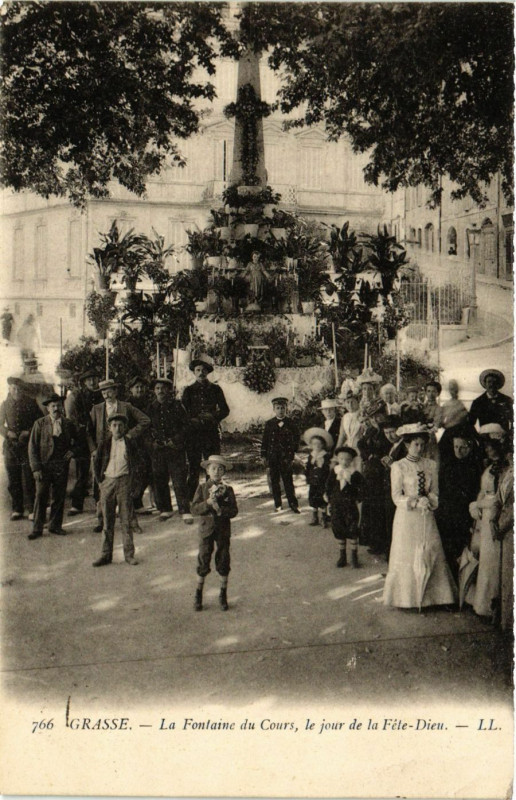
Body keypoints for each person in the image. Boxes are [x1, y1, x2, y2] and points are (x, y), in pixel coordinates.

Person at [383, 423, 457, 609]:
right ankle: (406, 599)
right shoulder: (399, 466)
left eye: (423, 444)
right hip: (407, 517)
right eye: (416, 444)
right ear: (407, 445)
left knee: (431, 549)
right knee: (406, 553)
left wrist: (429, 501)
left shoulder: (431, 465)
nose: (420, 448)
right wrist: (415, 502)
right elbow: (396, 496)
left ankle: (436, 598)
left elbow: (435, 491)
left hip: (426, 515)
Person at [89, 378, 150, 532]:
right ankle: (101, 521)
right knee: (102, 487)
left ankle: (132, 523)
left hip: (123, 448)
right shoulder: (96, 409)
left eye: (109, 391)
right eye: (103, 392)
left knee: (125, 489)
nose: (106, 394)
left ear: (115, 391)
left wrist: (130, 435)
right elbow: (88, 432)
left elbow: (145, 420)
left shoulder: (126, 406)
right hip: (103, 452)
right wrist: (93, 449)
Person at [28, 393, 79, 539]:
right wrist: (36, 468)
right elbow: (32, 447)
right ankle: (37, 528)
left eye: (58, 405)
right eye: (53, 406)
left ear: (62, 407)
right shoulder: (40, 423)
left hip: (61, 466)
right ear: (48, 408)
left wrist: (72, 451)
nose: (56, 408)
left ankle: (55, 526)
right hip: (44, 466)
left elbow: (78, 442)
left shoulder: (68, 424)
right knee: (41, 495)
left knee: (59, 496)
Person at [92, 413, 140, 567]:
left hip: (124, 481)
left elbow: (138, 464)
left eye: (120, 425)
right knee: (107, 521)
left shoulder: (130, 443)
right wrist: (101, 482)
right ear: (109, 428)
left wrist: (134, 484)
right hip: (108, 482)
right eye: (114, 425)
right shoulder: (104, 443)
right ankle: (106, 555)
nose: (117, 428)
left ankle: (129, 555)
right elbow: (97, 463)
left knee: (126, 521)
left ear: (125, 427)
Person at [191, 455, 238, 612]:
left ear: (224, 472)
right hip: (206, 529)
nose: (217, 471)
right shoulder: (202, 488)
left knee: (224, 559)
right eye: (213, 468)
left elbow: (233, 511)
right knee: (203, 558)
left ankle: (223, 594)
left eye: (220, 469)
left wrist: (220, 510)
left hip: (223, 529)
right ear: (207, 470)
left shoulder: (228, 490)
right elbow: (194, 509)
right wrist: (207, 504)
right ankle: (198, 594)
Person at [467, 439, 508, 619]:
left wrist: (479, 504)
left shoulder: (505, 470)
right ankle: (482, 604)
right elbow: (483, 490)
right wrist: (475, 507)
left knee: (493, 559)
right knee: (485, 558)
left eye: (493, 448)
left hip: (496, 516)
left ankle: (494, 606)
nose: (490, 451)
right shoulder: (489, 467)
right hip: (484, 517)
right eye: (487, 448)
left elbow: (498, 498)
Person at [181, 354, 230, 501]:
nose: (201, 373)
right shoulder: (188, 391)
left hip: (210, 433)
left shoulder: (215, 389)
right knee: (194, 467)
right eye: (197, 370)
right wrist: (194, 420)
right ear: (194, 372)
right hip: (194, 434)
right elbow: (183, 413)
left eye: (203, 370)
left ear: (208, 372)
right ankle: (193, 499)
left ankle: (214, 495)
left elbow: (225, 410)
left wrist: (213, 417)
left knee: (213, 466)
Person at [147, 377, 192, 523]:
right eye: (158, 388)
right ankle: (165, 509)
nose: (161, 391)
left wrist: (176, 440)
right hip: (158, 450)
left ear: (169, 390)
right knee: (160, 479)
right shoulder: (150, 408)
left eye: (164, 388)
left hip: (175, 448)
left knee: (179, 479)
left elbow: (186, 426)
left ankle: (184, 509)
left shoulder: (177, 406)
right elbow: (146, 429)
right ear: (154, 391)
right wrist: (152, 443)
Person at [437, 434, 482, 580]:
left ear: (470, 447)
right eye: (456, 447)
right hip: (448, 513)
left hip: (465, 515)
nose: (458, 451)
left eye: (463, 447)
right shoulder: (447, 464)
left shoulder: (476, 466)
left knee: (463, 552)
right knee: (447, 550)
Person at [0, 376, 42, 520]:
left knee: (29, 478)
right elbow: (0, 425)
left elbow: (40, 422)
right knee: (13, 478)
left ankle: (31, 509)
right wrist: (7, 432)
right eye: (13, 388)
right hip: (11, 447)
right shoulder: (4, 405)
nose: (16, 391)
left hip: (27, 447)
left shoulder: (31, 403)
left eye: (19, 389)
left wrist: (28, 431)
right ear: (9, 389)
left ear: (22, 390)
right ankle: (17, 509)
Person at [64, 369, 101, 515]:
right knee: (82, 471)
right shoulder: (77, 396)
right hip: (82, 436)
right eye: (89, 380)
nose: (92, 382)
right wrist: (78, 429)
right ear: (84, 382)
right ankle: (77, 504)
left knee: (99, 469)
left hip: (98, 435)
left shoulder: (101, 394)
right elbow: (70, 416)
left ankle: (100, 502)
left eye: (94, 379)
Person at [325, 446, 364, 568]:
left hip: (350, 505)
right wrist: (329, 499)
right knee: (338, 528)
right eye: (341, 459)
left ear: (351, 460)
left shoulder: (355, 473)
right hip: (337, 505)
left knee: (352, 529)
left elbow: (363, 487)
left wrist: (358, 498)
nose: (344, 462)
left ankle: (354, 556)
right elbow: (328, 486)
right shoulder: (334, 471)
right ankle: (342, 556)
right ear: (338, 459)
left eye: (347, 459)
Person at [261, 397, 300, 513]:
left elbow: (297, 438)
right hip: (273, 457)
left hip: (286, 458)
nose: (280, 410)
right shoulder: (269, 424)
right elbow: (265, 441)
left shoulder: (291, 423)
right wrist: (263, 455)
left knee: (288, 481)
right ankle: (277, 504)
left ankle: (293, 504)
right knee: (275, 481)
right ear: (274, 409)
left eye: (283, 408)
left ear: (286, 409)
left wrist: (292, 453)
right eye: (278, 408)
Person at [491, 449, 513, 632]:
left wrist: (502, 526)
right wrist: (492, 520)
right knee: (505, 576)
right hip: (504, 532)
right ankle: (505, 622)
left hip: (511, 530)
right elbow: (498, 499)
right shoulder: (508, 473)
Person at [126, 376, 155, 512]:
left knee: (149, 470)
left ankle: (150, 500)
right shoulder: (126, 405)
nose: (139, 389)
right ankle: (134, 502)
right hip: (133, 442)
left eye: (142, 387)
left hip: (148, 441)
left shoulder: (150, 403)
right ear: (131, 389)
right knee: (135, 472)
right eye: (136, 387)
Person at [438, 379, 476, 466]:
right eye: (451, 389)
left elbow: (467, 420)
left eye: (455, 389)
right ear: (448, 390)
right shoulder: (446, 405)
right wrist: (449, 425)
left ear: (457, 390)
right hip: (449, 434)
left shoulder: (461, 404)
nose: (453, 391)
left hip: (462, 433)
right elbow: (441, 422)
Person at [303, 427, 333, 527]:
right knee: (313, 497)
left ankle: (323, 517)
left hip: (322, 480)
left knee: (323, 498)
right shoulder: (311, 455)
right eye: (314, 444)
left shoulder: (325, 456)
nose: (317, 446)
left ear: (323, 445)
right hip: (313, 481)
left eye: (319, 444)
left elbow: (327, 469)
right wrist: (307, 477)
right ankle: (314, 516)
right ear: (311, 445)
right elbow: (308, 468)